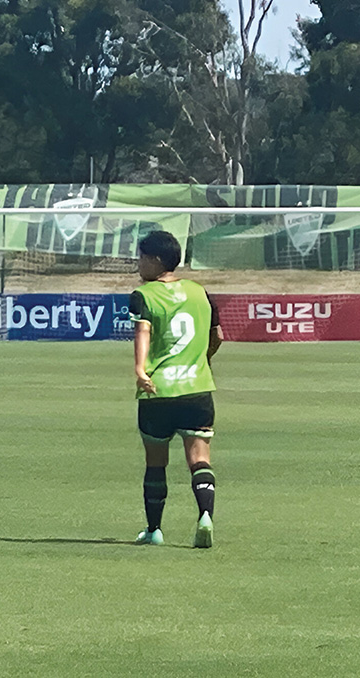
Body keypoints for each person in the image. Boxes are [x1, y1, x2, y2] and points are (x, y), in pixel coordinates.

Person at [129, 230, 223, 548]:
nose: (138, 263)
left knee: (156, 462)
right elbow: (218, 336)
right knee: (199, 459)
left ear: (156, 261)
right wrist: (202, 360)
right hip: (198, 390)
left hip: (159, 392)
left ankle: (154, 530)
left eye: (141, 257)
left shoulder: (144, 295)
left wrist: (141, 369)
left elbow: (143, 331)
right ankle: (205, 516)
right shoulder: (201, 292)